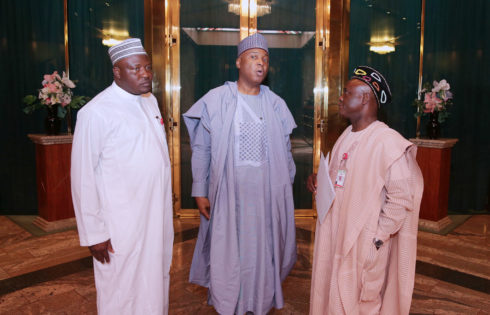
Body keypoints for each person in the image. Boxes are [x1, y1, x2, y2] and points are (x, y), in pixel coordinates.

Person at [183, 33, 297, 315]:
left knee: (262, 253)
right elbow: (202, 148)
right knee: (227, 251)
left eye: (265, 59)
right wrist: (200, 189)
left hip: (265, 194)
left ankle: (258, 303)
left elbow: (287, 153)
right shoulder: (216, 99)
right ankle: (227, 302)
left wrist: (284, 191)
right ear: (239, 61)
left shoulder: (276, 104)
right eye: (254, 57)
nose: (261, 64)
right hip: (228, 191)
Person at [307, 66, 424, 315]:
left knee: (362, 304)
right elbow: (343, 179)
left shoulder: (387, 142)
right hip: (337, 235)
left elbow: (402, 198)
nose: (340, 97)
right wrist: (320, 181)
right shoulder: (347, 135)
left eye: (347, 92)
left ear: (365, 97)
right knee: (333, 297)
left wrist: (378, 239)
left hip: (364, 242)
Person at [71, 38, 174, 315]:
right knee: (122, 288)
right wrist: (94, 233)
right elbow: (83, 178)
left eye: (148, 67)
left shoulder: (149, 102)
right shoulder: (94, 113)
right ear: (117, 72)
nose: (145, 74)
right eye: (136, 69)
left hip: (155, 216)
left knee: (155, 279)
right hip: (121, 224)